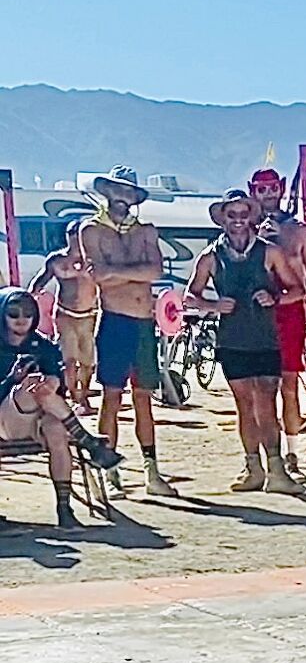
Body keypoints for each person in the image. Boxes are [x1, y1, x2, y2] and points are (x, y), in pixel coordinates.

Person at [187, 190, 305, 495]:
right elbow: (190, 296)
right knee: (244, 404)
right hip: (232, 339)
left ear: (251, 217)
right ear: (223, 218)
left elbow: (298, 290)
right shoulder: (211, 257)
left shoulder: (269, 253)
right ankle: (254, 467)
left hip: (265, 337)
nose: (238, 221)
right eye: (232, 215)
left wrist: (275, 298)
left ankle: (276, 468)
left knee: (266, 401)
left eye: (243, 214)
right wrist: (212, 306)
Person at [79, 166, 175, 498]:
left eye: (129, 193)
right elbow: (100, 278)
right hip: (116, 320)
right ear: (107, 193)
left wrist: (116, 271)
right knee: (111, 397)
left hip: (144, 322)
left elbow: (154, 270)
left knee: (144, 398)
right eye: (117, 192)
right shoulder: (91, 230)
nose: (123, 199)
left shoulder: (146, 230)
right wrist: (131, 273)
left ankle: (152, 471)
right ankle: (110, 471)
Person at [0, 287, 122, 528]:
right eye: (13, 313)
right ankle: (89, 442)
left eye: (28, 312)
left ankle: (64, 509)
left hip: (38, 417)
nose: (22, 319)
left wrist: (53, 382)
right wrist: (12, 380)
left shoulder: (42, 345)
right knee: (29, 388)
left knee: (55, 427)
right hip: (4, 419)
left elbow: (59, 392)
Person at [248, 167, 306, 482]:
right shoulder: (241, 229)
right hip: (252, 314)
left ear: (282, 188)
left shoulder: (298, 230)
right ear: (252, 191)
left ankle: (292, 453)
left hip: (288, 311)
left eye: (272, 187)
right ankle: (258, 459)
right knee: (255, 389)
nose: (268, 194)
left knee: (288, 384)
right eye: (261, 189)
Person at [28, 220, 98, 414]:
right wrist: (32, 294)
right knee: (69, 359)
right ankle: (76, 398)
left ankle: (83, 396)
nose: (76, 239)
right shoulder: (57, 260)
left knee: (88, 362)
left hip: (89, 316)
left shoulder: (94, 261)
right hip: (65, 315)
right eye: (72, 235)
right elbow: (41, 279)